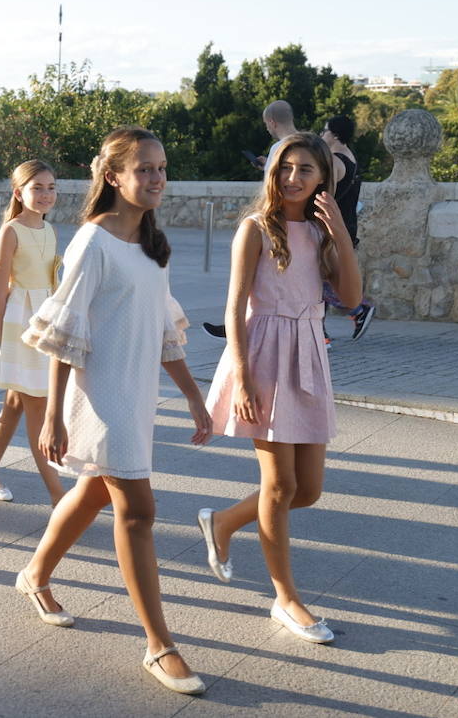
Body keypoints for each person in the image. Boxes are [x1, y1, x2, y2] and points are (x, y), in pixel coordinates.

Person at [19, 127, 212, 696]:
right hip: (100, 393)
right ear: (114, 177)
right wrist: (53, 415)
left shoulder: (152, 245)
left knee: (96, 491)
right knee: (139, 510)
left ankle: (34, 574)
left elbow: (162, 329)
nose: (156, 178)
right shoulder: (92, 241)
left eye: (161, 168)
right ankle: (160, 646)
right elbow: (62, 330)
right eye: (144, 169)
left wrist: (193, 393)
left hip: (136, 392)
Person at [197, 132, 360, 646]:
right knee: (279, 485)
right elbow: (234, 307)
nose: (293, 177)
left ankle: (222, 521)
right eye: (286, 166)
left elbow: (351, 299)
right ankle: (285, 598)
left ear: (323, 179)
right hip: (264, 355)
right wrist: (241, 376)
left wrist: (341, 233)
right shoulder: (254, 229)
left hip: (309, 353)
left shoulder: (321, 233)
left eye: (306, 169)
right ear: (273, 170)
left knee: (308, 489)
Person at [0, 160, 67, 505]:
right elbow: (0, 285)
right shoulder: (11, 231)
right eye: (37, 187)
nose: (45, 194)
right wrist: (0, 330)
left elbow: (54, 283)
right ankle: (58, 495)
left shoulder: (50, 230)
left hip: (45, 321)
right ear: (19, 192)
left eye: (51, 187)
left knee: (14, 404)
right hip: (18, 323)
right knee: (37, 407)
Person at [206, 98, 302, 338]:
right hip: (302, 221)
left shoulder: (278, 148)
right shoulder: (309, 145)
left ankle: (238, 324)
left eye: (266, 124)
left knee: (254, 274)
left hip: (277, 221)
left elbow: (272, 188)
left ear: (271, 121)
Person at [321, 115, 374, 340]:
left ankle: (359, 309)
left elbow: (325, 195)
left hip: (332, 228)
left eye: (324, 130)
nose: (321, 135)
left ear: (334, 134)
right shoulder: (351, 158)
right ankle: (320, 332)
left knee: (321, 278)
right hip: (346, 226)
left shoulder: (335, 160)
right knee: (321, 277)